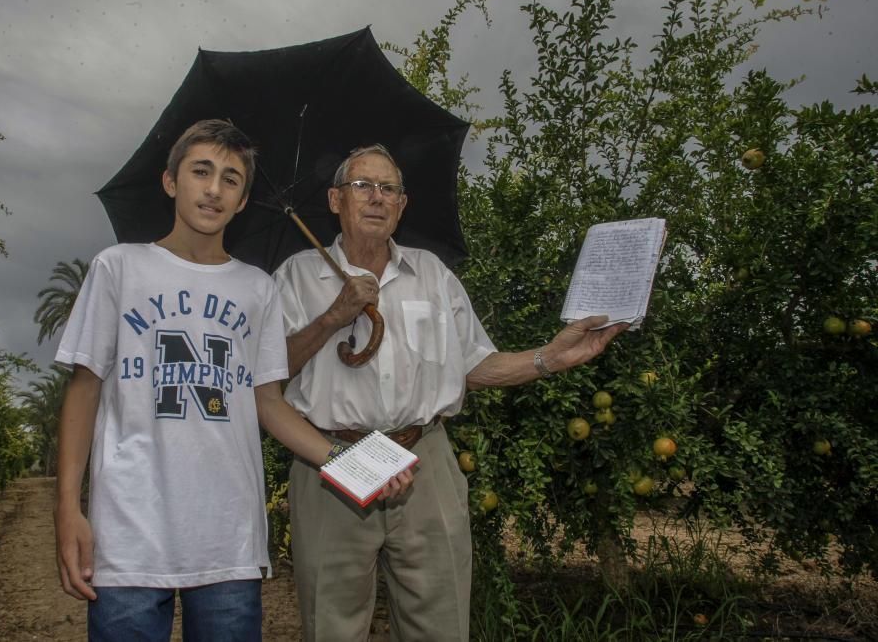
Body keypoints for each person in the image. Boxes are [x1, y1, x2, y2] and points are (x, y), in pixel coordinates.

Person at [52, 121, 410, 642]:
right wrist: (68, 509)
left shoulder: (257, 288)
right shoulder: (119, 268)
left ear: (243, 201)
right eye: (201, 172)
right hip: (128, 535)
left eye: (232, 179)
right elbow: (83, 390)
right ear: (171, 181)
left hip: (229, 543)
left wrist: (351, 462)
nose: (214, 189)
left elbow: (268, 402)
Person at [272, 143, 628, 641]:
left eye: (388, 189)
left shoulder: (433, 275)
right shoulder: (293, 277)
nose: (376, 197)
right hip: (331, 460)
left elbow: (474, 365)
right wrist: (333, 316)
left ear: (402, 205)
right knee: (330, 623)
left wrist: (552, 356)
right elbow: (270, 374)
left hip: (425, 459)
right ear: (335, 200)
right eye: (362, 186)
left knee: (439, 623)